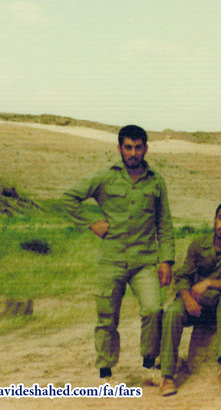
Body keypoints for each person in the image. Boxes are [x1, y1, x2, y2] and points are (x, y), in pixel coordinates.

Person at [61, 125, 175, 380]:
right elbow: (69, 197)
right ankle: (106, 372)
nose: (133, 153)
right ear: (119, 148)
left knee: (153, 309)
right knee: (107, 317)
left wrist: (166, 260)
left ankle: (149, 364)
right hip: (111, 260)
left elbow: (164, 223)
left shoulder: (156, 181)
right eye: (128, 147)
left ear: (146, 149)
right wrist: (92, 222)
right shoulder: (106, 177)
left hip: (144, 261)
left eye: (138, 148)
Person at [159, 200, 221, 397]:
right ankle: (167, 376)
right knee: (172, 312)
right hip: (196, 303)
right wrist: (186, 297)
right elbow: (183, 276)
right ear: (214, 219)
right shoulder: (199, 244)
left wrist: (209, 282)